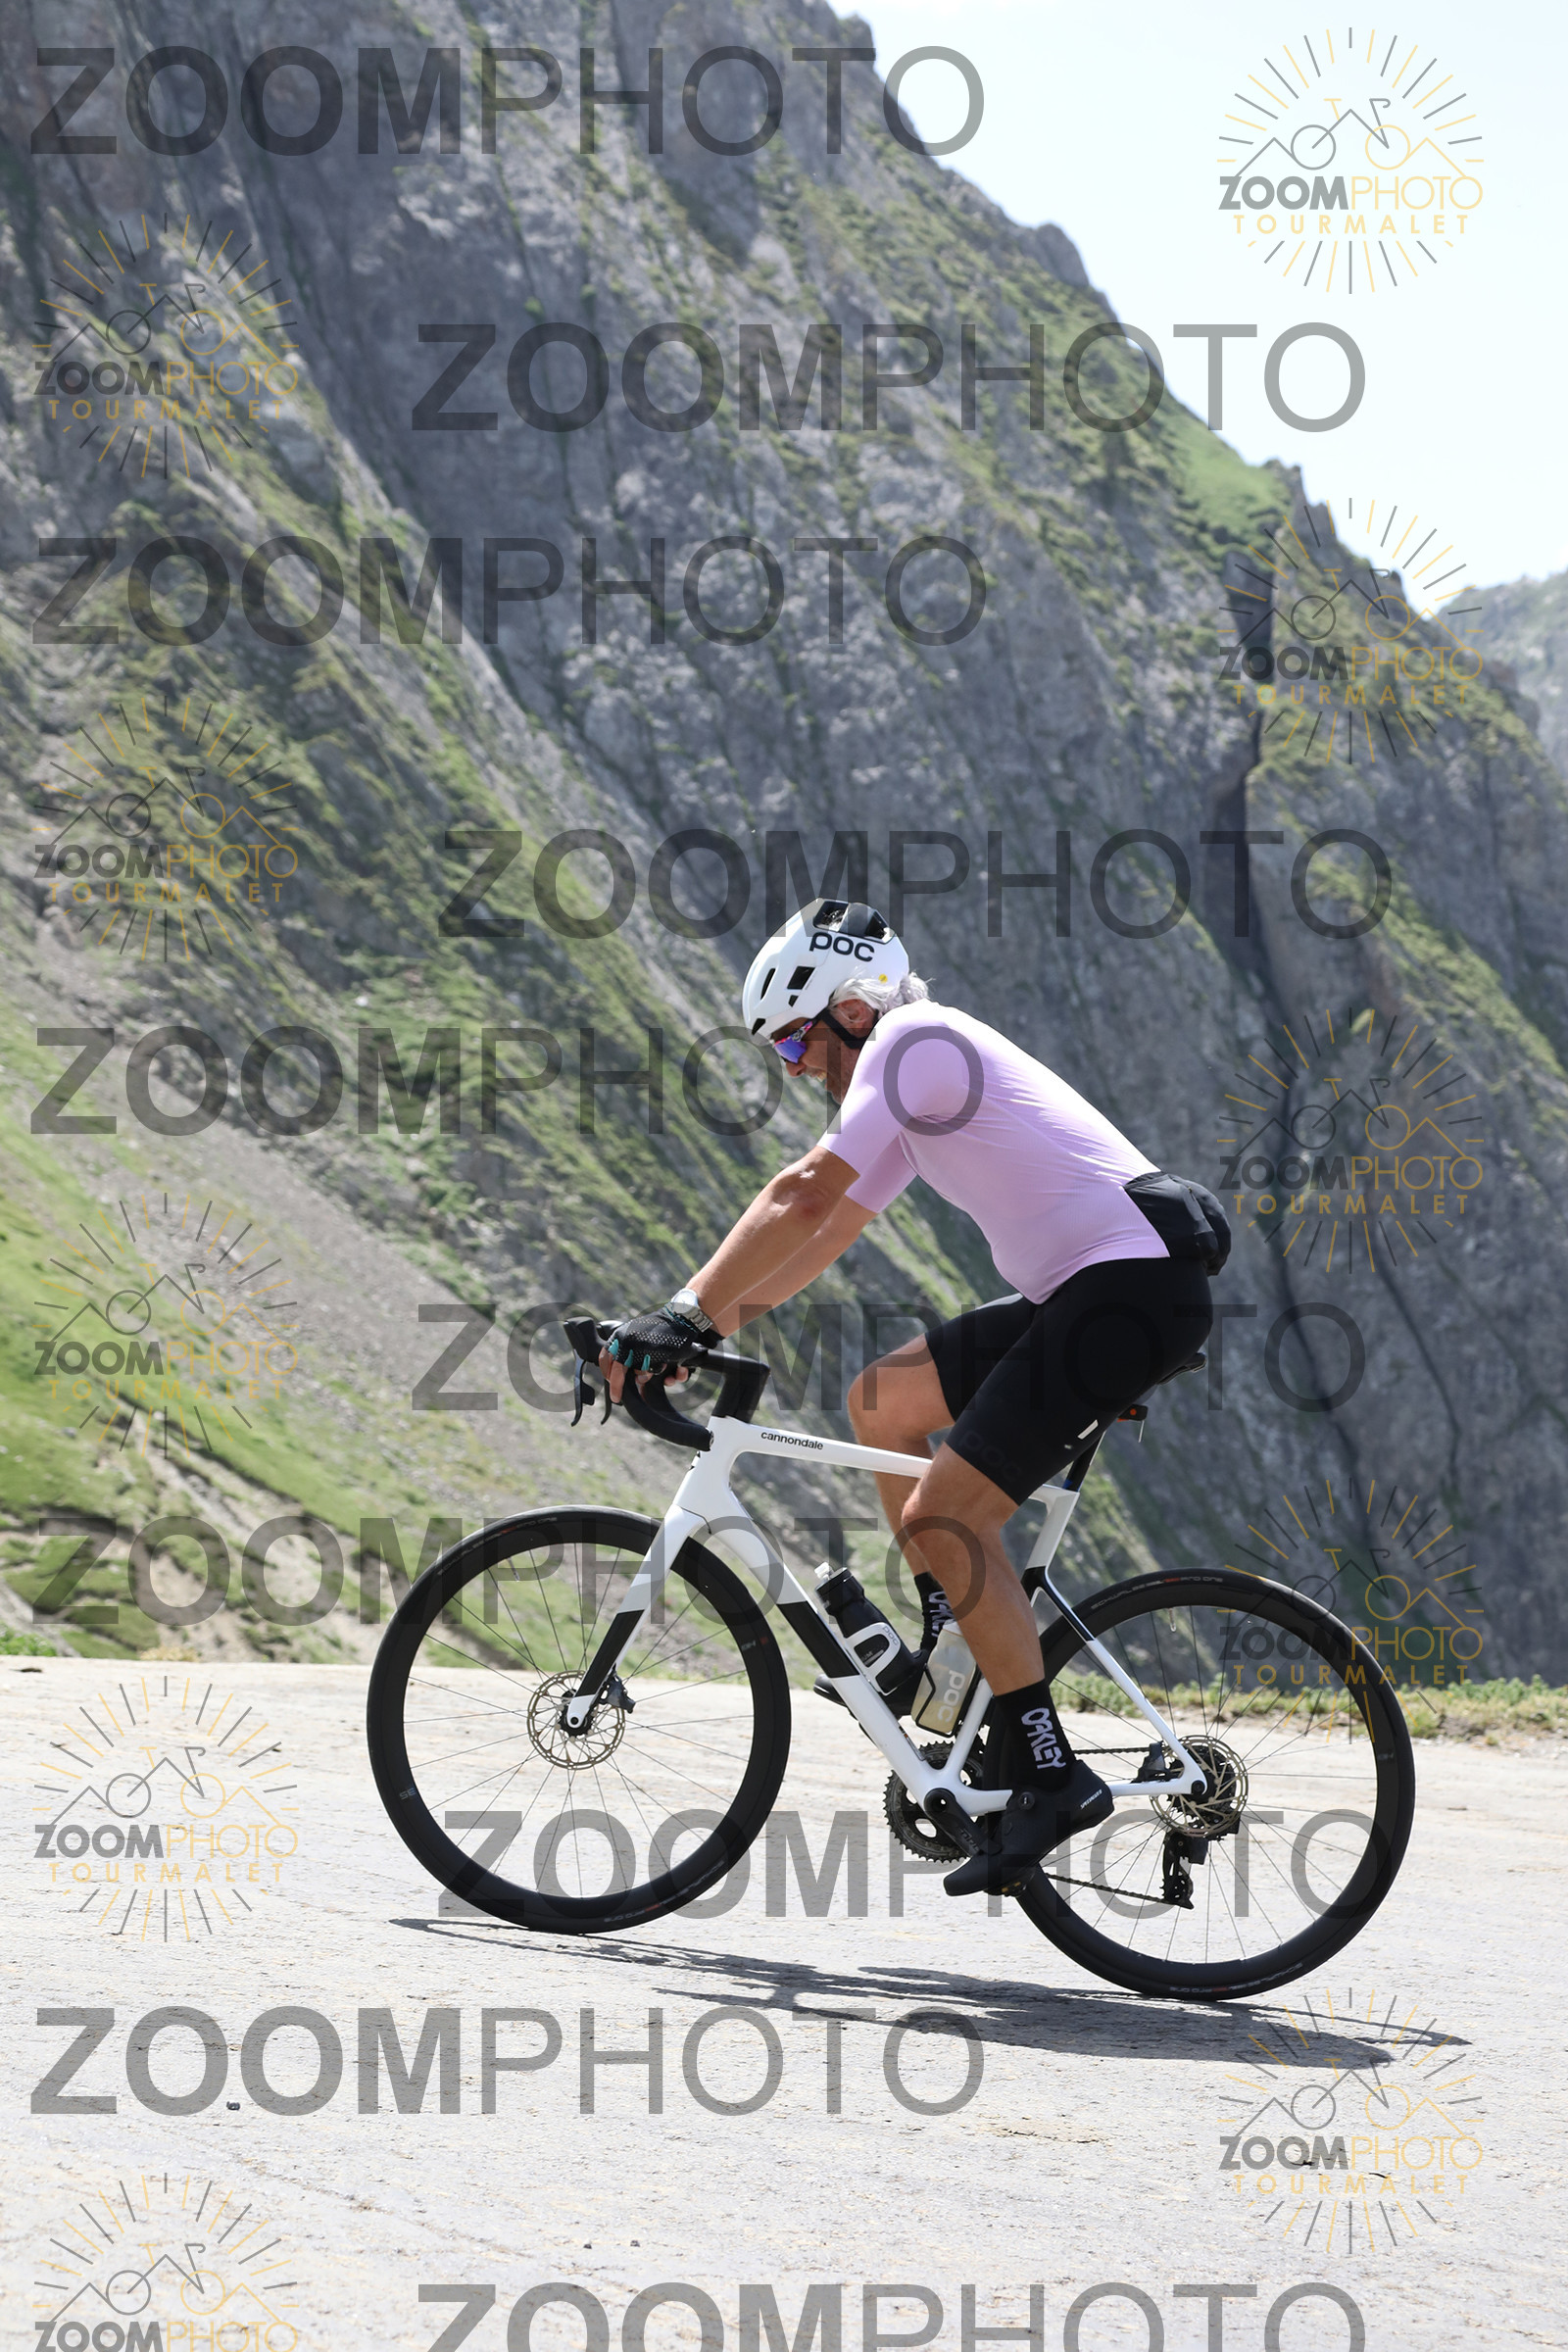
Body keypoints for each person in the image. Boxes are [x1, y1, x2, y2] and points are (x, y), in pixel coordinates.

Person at [601, 899, 1221, 1895]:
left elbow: (802, 1190)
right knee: (884, 1401)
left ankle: (1048, 1776)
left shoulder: (916, 1043)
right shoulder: (907, 1083)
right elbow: (827, 1231)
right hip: (1088, 1292)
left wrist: (678, 1312)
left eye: (795, 1042)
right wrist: (705, 1331)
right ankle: (952, 1648)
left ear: (851, 1011)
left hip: (1129, 1293)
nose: (792, 1068)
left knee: (946, 1515)